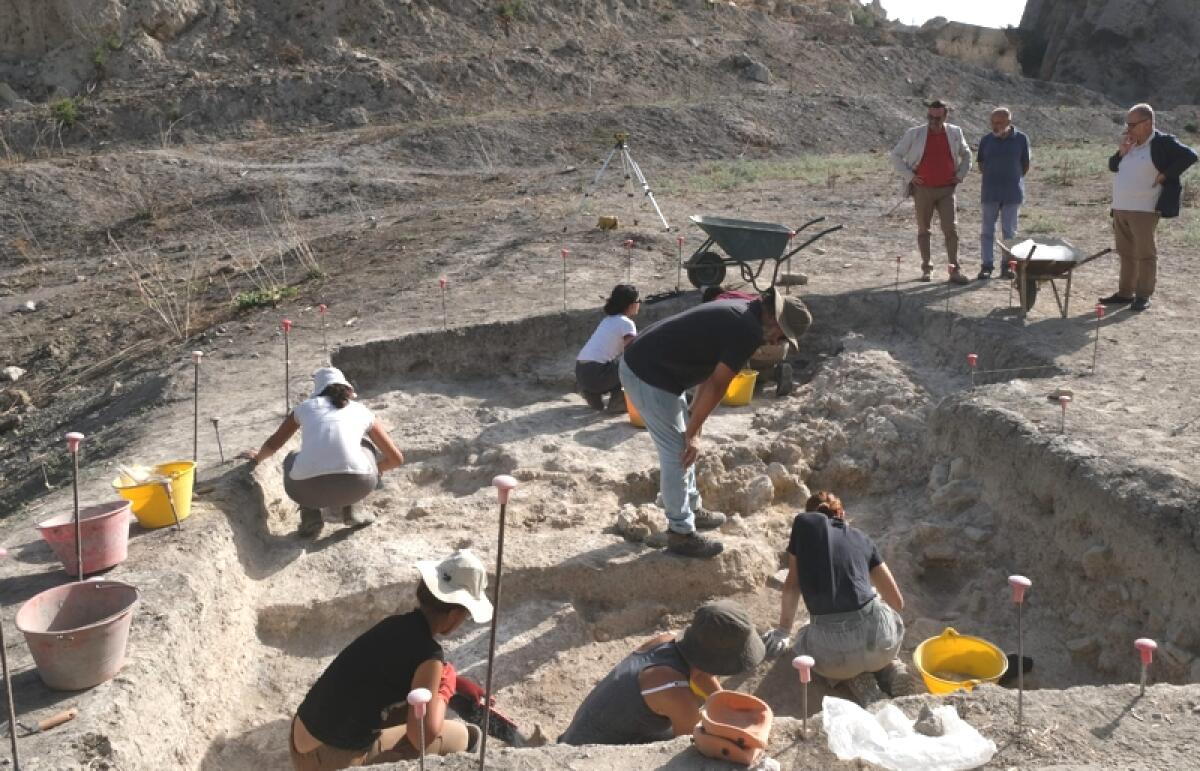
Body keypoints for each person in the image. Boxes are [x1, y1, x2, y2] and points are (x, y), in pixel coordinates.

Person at [620, 289, 812, 558]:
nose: (778, 340)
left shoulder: (747, 310)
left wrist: (694, 426)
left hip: (659, 370)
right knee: (678, 452)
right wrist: (694, 432)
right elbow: (717, 384)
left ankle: (691, 509)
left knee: (685, 445)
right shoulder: (746, 329)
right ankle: (680, 533)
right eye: (782, 333)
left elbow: (709, 376)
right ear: (773, 316)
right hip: (646, 373)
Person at [289, 549, 491, 770]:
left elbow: (388, 672)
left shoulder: (393, 625)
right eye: (466, 614)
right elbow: (422, 737)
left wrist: (453, 681)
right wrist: (444, 690)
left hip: (299, 740)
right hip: (332, 761)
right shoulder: (428, 655)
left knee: (408, 709)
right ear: (453, 616)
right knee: (463, 736)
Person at [760, 491, 910, 705]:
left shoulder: (804, 529)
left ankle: (854, 679)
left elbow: (792, 584)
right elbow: (897, 602)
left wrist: (783, 630)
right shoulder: (862, 538)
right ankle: (890, 665)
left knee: (803, 636)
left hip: (836, 657)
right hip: (881, 642)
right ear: (843, 514)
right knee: (880, 609)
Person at [558, 600, 765, 746]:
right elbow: (688, 744)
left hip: (587, 733)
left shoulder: (669, 641)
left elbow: (702, 674)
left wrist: (724, 705)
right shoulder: (673, 690)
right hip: (589, 755)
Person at [244, 366, 405, 538]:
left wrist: (257, 458)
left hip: (303, 490)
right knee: (365, 446)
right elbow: (396, 458)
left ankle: (310, 515)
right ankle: (354, 509)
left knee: (293, 456)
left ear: (318, 390)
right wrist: (376, 469)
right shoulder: (362, 411)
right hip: (358, 486)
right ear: (348, 390)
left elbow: (274, 444)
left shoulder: (304, 408)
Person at [1101, 103, 1197, 312]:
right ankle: (1125, 293)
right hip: (1121, 207)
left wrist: (1166, 174)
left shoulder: (1162, 142)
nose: (1128, 129)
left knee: (1145, 254)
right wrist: (1121, 151)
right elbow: (1112, 166)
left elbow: (1190, 156)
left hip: (1144, 208)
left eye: (1132, 124)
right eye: (1127, 124)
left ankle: (1143, 295)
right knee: (1126, 252)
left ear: (1147, 123)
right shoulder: (1131, 143)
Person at [890, 99, 974, 284]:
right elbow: (896, 155)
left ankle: (954, 270)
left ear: (945, 116)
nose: (933, 121)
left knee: (951, 229)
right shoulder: (915, 133)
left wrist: (960, 175)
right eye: (930, 117)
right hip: (923, 190)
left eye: (937, 117)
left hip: (946, 189)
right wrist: (910, 176)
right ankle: (926, 269)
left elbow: (967, 154)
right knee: (923, 229)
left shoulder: (955, 132)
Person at [976, 107, 1031, 280]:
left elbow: (1025, 165)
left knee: (1009, 232)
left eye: (999, 123)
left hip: (1012, 193)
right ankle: (986, 266)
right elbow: (981, 164)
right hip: (990, 192)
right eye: (993, 122)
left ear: (1009, 122)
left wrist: (1011, 177)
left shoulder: (1021, 139)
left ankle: (1007, 266)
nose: (995, 126)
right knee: (987, 231)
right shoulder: (986, 140)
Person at [576, 284, 640, 413]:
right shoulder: (627, 324)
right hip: (596, 373)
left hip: (581, 371)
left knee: (615, 364)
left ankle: (592, 394)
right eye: (638, 301)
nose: (640, 304)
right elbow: (632, 353)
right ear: (631, 304)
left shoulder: (608, 320)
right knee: (634, 366)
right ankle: (618, 402)